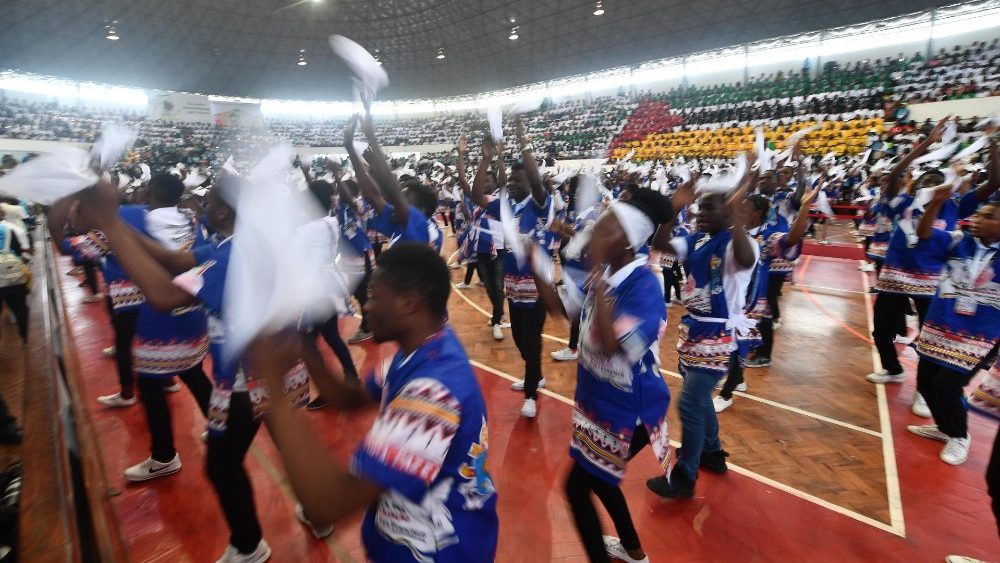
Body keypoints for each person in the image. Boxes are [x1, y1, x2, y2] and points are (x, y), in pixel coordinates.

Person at [75, 176, 302, 562]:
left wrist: (111, 224)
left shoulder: (234, 256)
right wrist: (115, 224)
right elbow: (174, 260)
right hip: (280, 368)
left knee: (221, 463)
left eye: (207, 200)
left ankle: (249, 546)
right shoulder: (236, 244)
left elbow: (165, 296)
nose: (198, 205)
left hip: (254, 378)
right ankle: (311, 511)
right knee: (284, 443)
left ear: (221, 211)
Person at [250, 243, 499, 562]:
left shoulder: (434, 392)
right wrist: (304, 350)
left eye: (374, 297)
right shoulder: (423, 349)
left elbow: (326, 505)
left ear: (409, 304)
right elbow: (351, 399)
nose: (365, 307)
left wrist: (273, 388)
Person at [533, 190, 673, 563]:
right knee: (600, 481)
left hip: (632, 409)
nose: (594, 233)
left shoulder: (644, 286)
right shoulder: (606, 273)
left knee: (578, 488)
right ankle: (635, 553)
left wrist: (599, 291)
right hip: (601, 403)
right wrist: (536, 265)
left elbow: (616, 346)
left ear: (627, 242)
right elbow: (561, 310)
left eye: (605, 228)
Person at [646, 170, 759, 498]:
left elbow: (745, 258)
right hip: (695, 327)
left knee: (691, 403)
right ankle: (711, 453)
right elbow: (660, 245)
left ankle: (685, 477)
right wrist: (672, 211)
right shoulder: (697, 239)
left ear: (729, 213)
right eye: (701, 208)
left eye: (710, 209)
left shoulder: (740, 242)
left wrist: (737, 220)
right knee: (698, 400)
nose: (701, 213)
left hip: (720, 333)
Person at [907, 185, 1000, 466]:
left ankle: (960, 435)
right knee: (925, 381)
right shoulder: (959, 241)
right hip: (940, 325)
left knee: (947, 386)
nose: (978, 219)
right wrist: (935, 204)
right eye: (979, 214)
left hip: (980, 334)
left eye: (989, 216)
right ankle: (944, 427)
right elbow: (924, 234)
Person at [471, 121, 551, 418]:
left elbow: (537, 182)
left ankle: (531, 392)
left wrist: (523, 142)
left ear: (530, 183)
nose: (513, 185)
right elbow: (477, 194)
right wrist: (486, 159)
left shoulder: (541, 204)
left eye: (519, 181)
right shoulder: (505, 207)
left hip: (538, 286)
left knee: (531, 338)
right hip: (514, 286)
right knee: (519, 337)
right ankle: (537, 375)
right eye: (512, 182)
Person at [299, 179, 360, 411]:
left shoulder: (309, 229)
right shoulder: (331, 221)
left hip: (315, 289)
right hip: (328, 284)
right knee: (331, 336)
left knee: (309, 343)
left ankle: (328, 390)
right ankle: (351, 377)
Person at [0, 214, 29, 345]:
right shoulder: (8, 229)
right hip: (11, 270)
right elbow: (18, 251)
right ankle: (24, 337)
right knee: (20, 308)